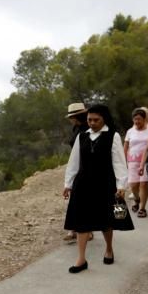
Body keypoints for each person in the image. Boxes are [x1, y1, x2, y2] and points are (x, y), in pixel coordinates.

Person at [63, 104, 129, 272]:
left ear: (104, 119)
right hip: (83, 184)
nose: (91, 123)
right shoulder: (82, 136)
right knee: (81, 221)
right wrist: (68, 184)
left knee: (107, 219)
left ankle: (109, 248)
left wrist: (121, 185)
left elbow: (119, 162)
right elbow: (74, 162)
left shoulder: (112, 136)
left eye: (96, 120)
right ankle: (81, 259)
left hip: (105, 183)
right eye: (89, 120)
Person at [63, 102, 89, 242]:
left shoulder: (87, 129)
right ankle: (74, 228)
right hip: (76, 165)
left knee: (84, 199)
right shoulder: (76, 128)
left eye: (71, 116)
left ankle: (86, 229)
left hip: (85, 167)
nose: (70, 119)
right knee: (75, 198)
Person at [123, 107, 148, 217]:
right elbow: (125, 146)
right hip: (132, 161)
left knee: (143, 184)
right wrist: (124, 160)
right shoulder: (130, 131)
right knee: (133, 184)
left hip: (146, 161)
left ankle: (142, 208)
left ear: (144, 119)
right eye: (135, 119)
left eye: (139, 119)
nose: (137, 121)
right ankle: (137, 199)